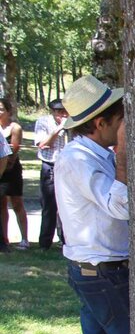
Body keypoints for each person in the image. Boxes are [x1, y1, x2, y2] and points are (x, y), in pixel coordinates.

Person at [53, 75, 131, 334]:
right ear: (100, 123)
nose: (125, 128)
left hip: (99, 268)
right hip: (102, 270)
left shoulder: (87, 156)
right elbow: (121, 204)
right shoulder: (80, 160)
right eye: (120, 121)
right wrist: (124, 158)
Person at [34, 99, 68, 249]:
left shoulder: (73, 122)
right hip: (50, 165)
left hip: (68, 167)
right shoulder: (43, 122)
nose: (63, 115)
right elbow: (43, 144)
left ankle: (66, 241)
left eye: (65, 111)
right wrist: (59, 129)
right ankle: (45, 243)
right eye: (59, 112)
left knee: (66, 205)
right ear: (53, 112)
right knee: (49, 205)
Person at [0, 98, 29, 250]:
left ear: (8, 111)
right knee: (1, 205)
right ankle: (4, 238)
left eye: (1, 109)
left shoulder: (15, 128)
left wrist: (5, 166)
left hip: (11, 170)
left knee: (17, 203)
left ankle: (24, 239)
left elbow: (13, 152)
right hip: (0, 169)